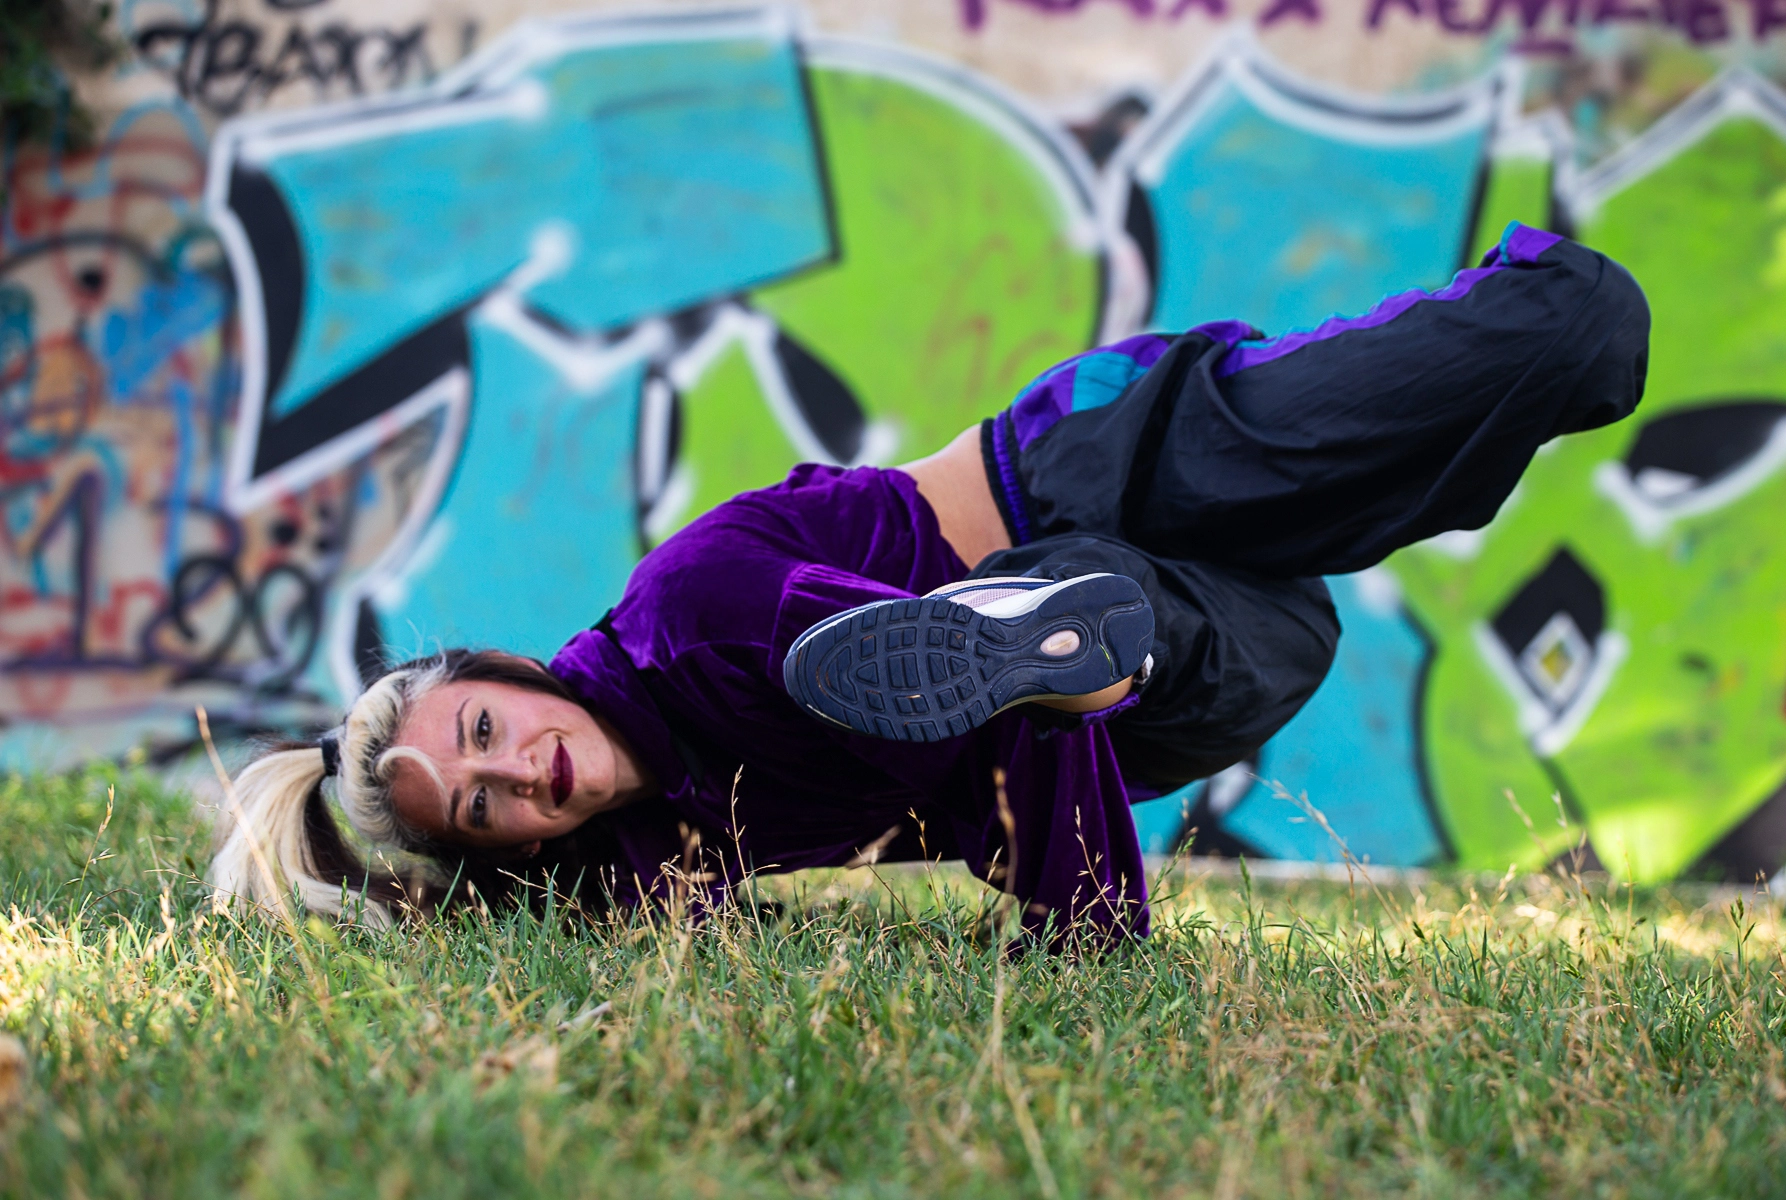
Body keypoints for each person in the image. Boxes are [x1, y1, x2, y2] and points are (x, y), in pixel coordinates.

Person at [209, 222, 1649, 943]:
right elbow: (549, 908)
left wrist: (1085, 930)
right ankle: (1077, 636)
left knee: (1571, 334)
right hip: (1152, 659)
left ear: (505, 675)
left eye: (484, 734)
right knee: (1291, 638)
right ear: (505, 855)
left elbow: (925, 695)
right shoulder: (614, 856)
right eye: (486, 810)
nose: (521, 775)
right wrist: (395, 893)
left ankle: (1033, 626)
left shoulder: (685, 621)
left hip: (1096, 469)